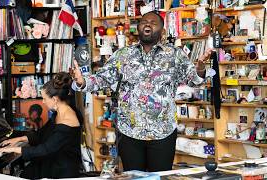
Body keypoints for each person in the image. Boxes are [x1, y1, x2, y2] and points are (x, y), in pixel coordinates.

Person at [71, 11, 212, 172]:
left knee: (159, 177)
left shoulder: (175, 55)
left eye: (153, 22)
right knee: (133, 177)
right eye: (144, 21)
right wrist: (82, 82)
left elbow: (193, 80)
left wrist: (200, 69)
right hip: (129, 132)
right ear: (138, 27)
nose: (147, 24)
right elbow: (102, 79)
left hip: (163, 133)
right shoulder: (123, 55)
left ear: (162, 30)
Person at [0, 72, 83, 179]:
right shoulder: (60, 111)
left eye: (44, 99)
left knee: (26, 173)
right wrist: (18, 139)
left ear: (54, 99)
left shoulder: (68, 120)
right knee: (26, 172)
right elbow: (42, 133)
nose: (43, 102)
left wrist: (11, 150)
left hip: (61, 170)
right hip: (53, 160)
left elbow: (45, 149)